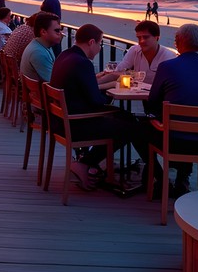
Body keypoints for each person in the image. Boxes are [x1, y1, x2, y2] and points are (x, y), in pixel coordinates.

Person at [49, 23, 138, 190]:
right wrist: (113, 88)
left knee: (126, 117)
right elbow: (97, 101)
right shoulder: (82, 63)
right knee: (130, 127)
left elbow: (86, 88)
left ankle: (93, 163)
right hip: (75, 124)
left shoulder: (65, 55)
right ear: (91, 42)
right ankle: (85, 163)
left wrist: (108, 83)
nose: (99, 48)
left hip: (59, 120)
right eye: (100, 44)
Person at [139, 24, 198, 198]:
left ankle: (161, 179)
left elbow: (153, 101)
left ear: (178, 42)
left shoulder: (167, 67)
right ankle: (183, 178)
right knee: (184, 125)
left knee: (139, 129)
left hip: (176, 140)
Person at [97, 20, 177, 89]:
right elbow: (118, 71)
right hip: (138, 93)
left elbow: (168, 85)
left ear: (157, 38)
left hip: (160, 98)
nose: (141, 41)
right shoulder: (135, 50)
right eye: (139, 38)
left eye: (146, 37)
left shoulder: (168, 57)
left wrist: (129, 75)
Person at [18, 12, 62, 82]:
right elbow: (54, 82)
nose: (60, 34)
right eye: (57, 30)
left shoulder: (42, 45)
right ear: (43, 32)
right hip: (39, 89)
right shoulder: (38, 52)